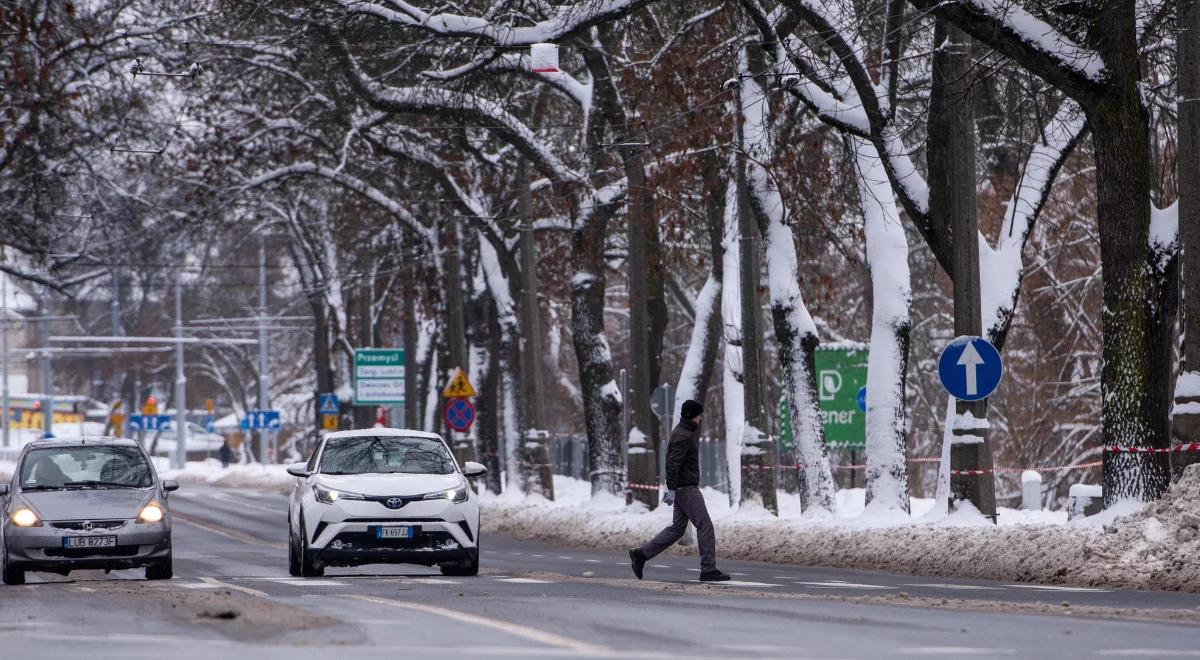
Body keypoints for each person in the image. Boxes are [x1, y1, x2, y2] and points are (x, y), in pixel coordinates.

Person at [629, 399, 730, 582]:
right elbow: (672, 464)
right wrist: (672, 489)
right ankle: (708, 569)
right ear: (692, 416)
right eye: (699, 416)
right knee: (705, 526)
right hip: (686, 489)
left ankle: (641, 555)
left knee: (677, 529)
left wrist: (673, 489)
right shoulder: (684, 436)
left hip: (682, 488)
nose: (701, 419)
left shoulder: (681, 432)